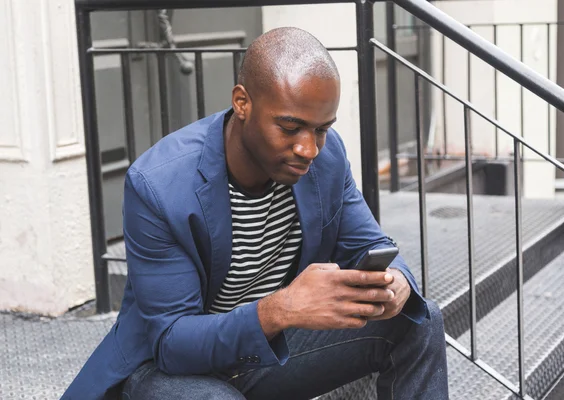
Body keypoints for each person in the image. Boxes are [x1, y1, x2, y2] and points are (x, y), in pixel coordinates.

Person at [62, 27, 448, 400]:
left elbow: (371, 243)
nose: (309, 149)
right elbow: (171, 343)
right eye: (291, 127)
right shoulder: (159, 186)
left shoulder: (325, 159)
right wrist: (281, 309)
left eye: (321, 129)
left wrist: (396, 281)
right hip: (166, 370)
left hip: (261, 353)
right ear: (242, 103)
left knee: (420, 317)